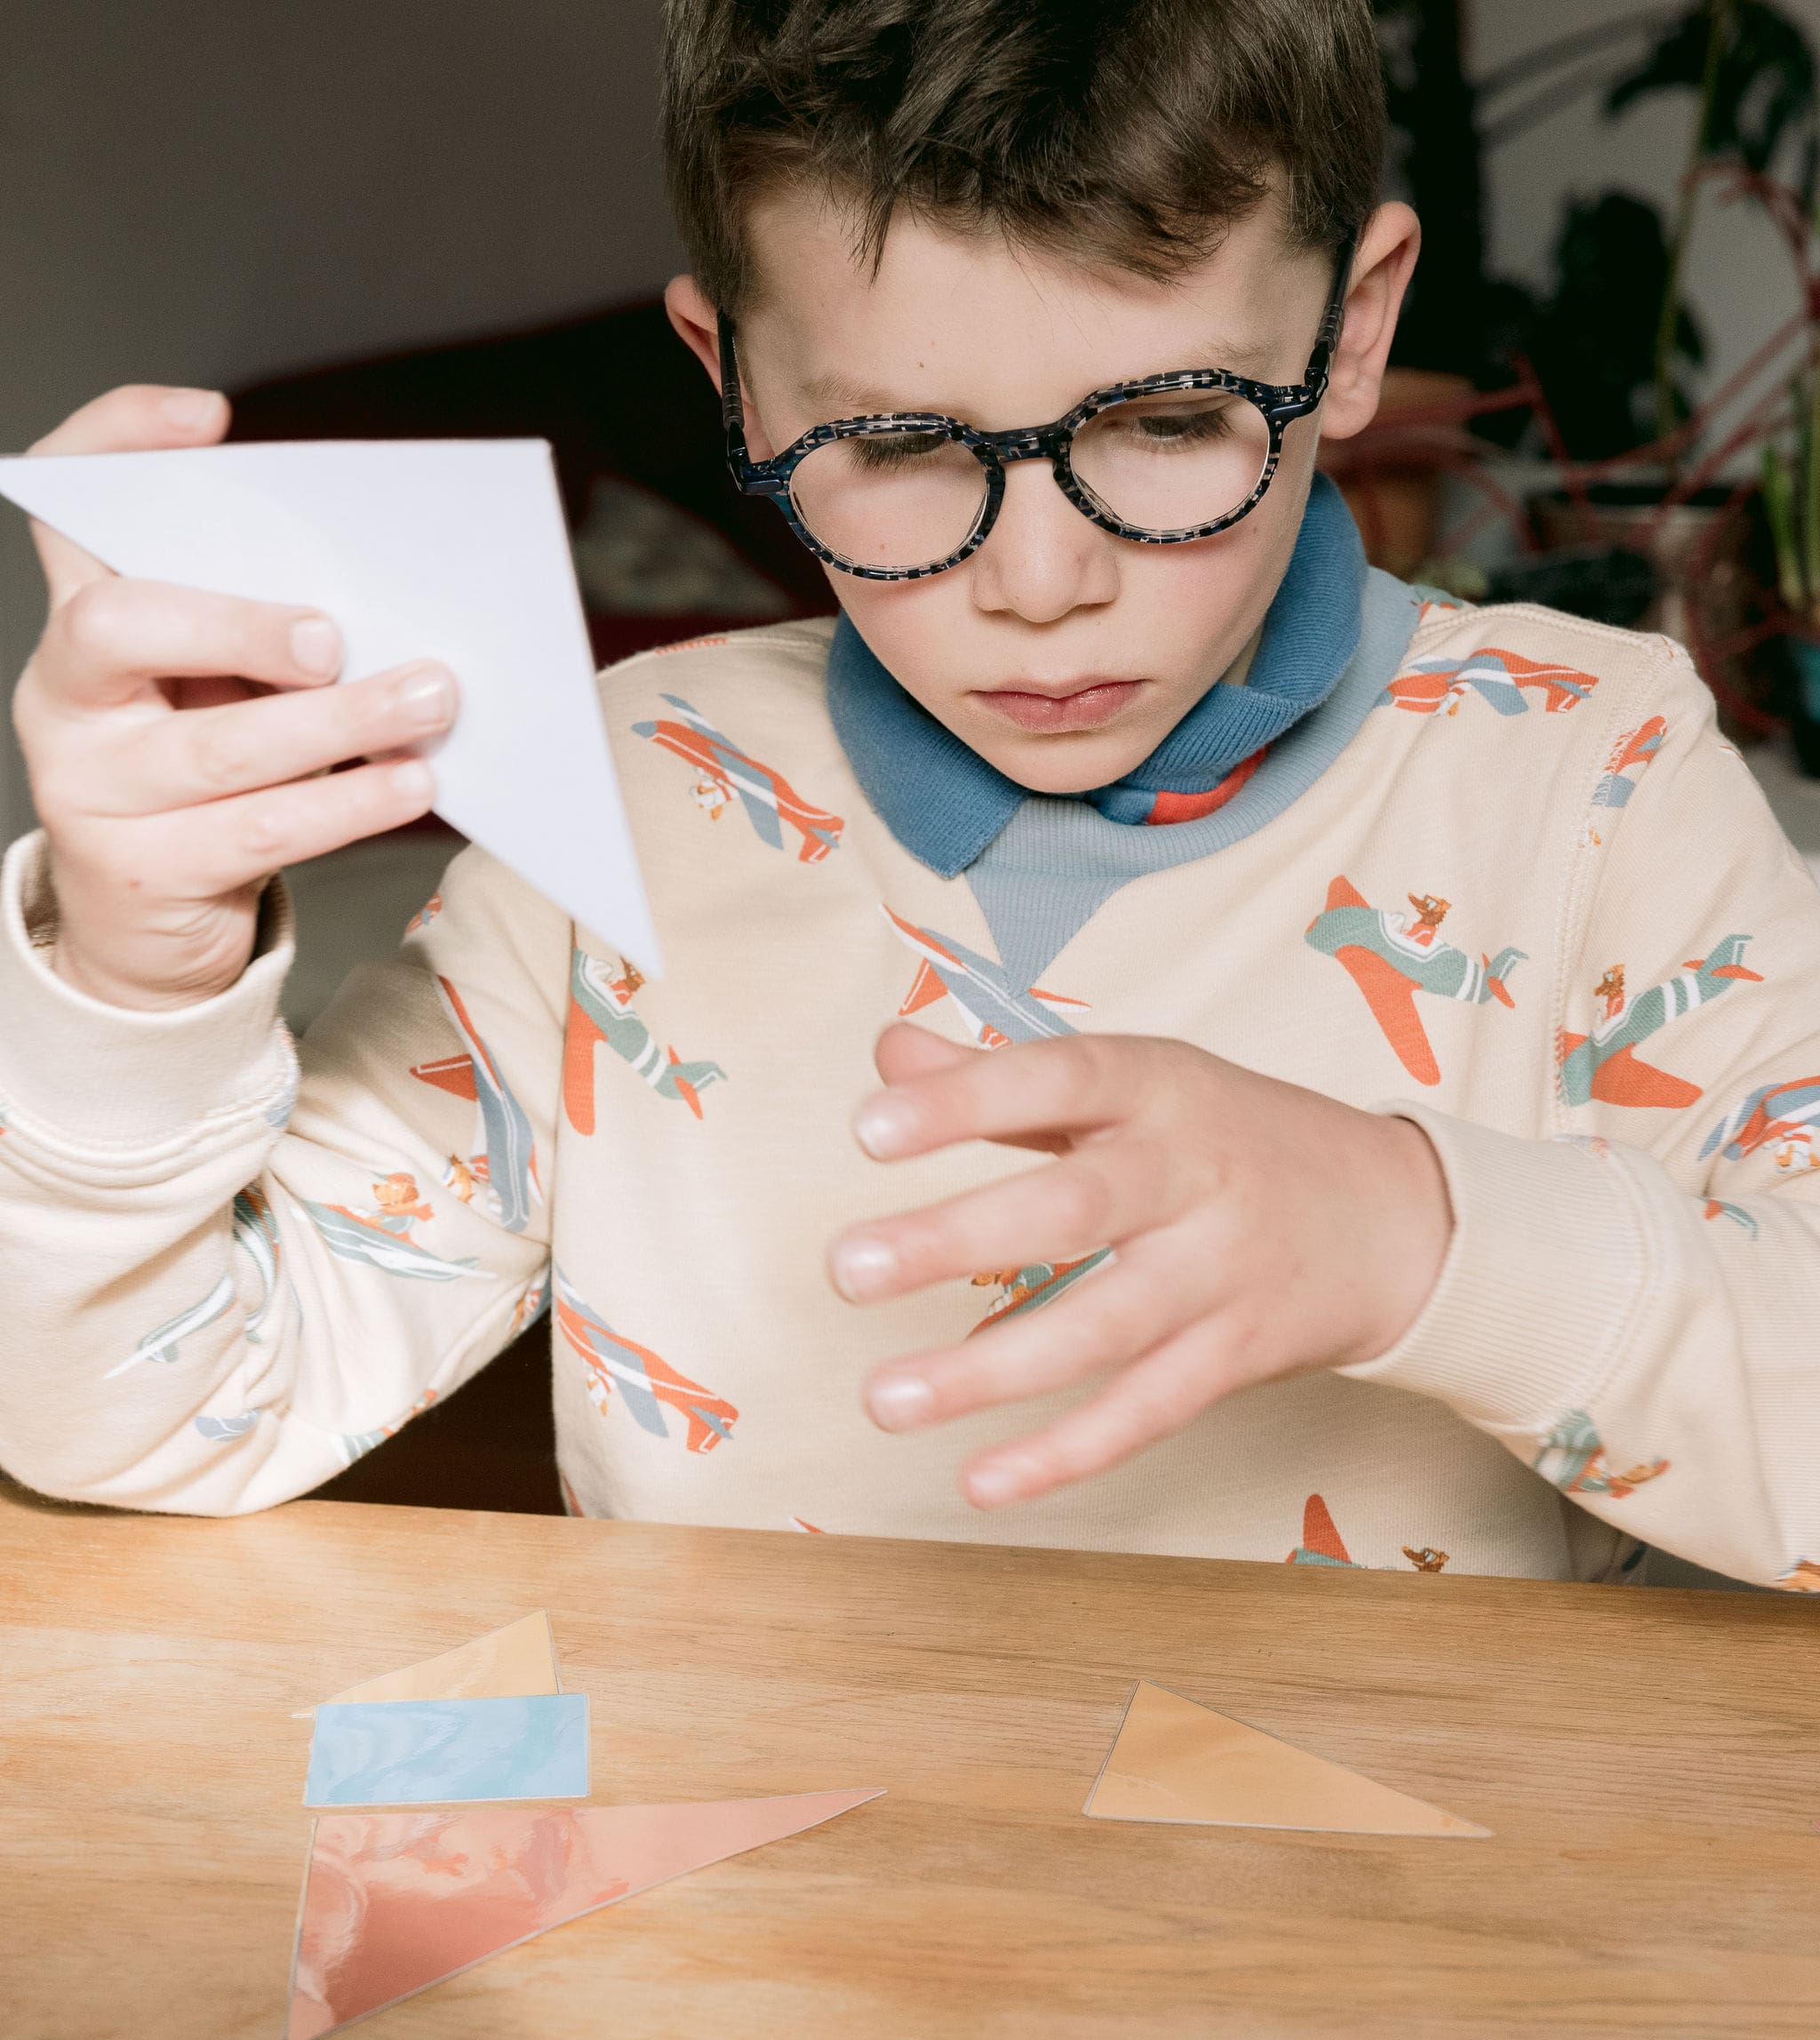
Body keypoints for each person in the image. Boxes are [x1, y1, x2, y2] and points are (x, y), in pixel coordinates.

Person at [2, 0, 1816, 1589]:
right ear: (730, 375)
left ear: (1352, 334)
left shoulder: (1597, 771)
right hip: (769, 1940)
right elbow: (154, 1423)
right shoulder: (633, 793)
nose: (1037, 584)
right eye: (889, 445)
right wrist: (129, 976)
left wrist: (1422, 1237)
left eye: (1171, 423)